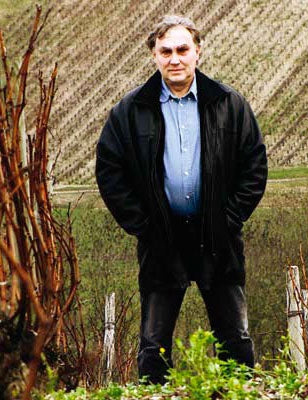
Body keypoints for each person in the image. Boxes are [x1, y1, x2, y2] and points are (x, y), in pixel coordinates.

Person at [95, 15, 267, 384]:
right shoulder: (129, 112)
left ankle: (240, 393)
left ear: (197, 53)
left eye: (182, 50)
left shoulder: (229, 104)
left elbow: (254, 166)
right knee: (153, 346)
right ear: (154, 56)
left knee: (235, 342)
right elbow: (110, 172)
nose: (174, 59)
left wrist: (229, 219)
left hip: (217, 238)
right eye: (166, 51)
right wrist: (144, 225)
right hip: (161, 241)